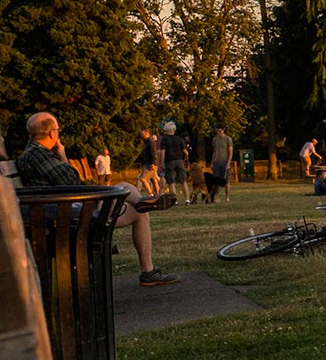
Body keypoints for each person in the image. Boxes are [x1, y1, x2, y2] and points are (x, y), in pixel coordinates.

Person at [20, 113, 178, 287]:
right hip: (69, 217)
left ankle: (141, 204)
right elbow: (72, 180)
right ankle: (147, 270)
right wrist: (63, 155)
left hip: (66, 210)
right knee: (135, 204)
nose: (59, 133)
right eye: (58, 130)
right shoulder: (39, 156)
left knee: (133, 199)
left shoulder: (35, 153)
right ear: (52, 134)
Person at [158, 120, 190, 203]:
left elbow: (162, 153)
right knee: (183, 181)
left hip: (169, 162)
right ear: (174, 130)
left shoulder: (164, 140)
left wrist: (161, 163)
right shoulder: (179, 139)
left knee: (172, 182)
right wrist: (185, 159)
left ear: (166, 130)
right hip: (179, 161)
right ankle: (187, 199)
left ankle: (174, 200)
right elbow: (186, 152)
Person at [205, 127, 234, 203]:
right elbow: (214, 151)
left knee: (226, 180)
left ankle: (227, 197)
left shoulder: (228, 139)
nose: (218, 132)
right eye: (217, 131)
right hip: (216, 162)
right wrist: (212, 162)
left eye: (219, 131)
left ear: (223, 130)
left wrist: (228, 163)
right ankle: (214, 197)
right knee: (215, 181)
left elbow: (230, 152)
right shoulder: (215, 139)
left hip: (224, 161)